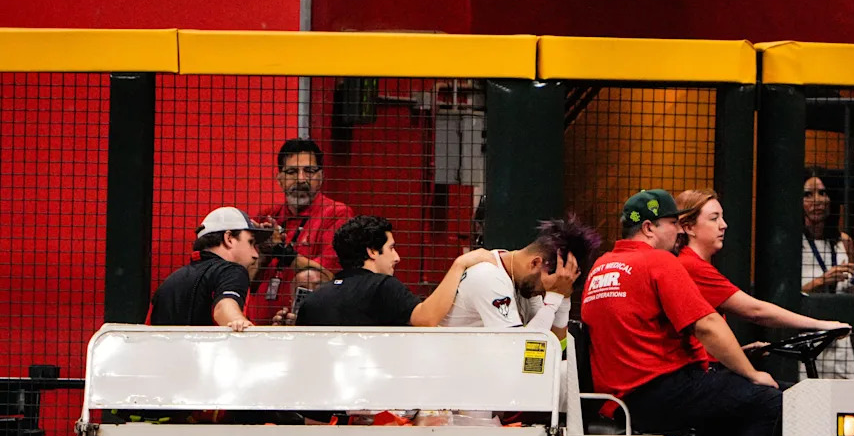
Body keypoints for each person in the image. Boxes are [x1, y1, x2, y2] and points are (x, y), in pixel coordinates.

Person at [581, 189, 781, 436]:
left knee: (739, 408)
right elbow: (707, 325)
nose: (679, 232)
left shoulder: (601, 268)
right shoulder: (658, 262)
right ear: (648, 228)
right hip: (662, 390)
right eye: (673, 223)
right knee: (770, 401)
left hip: (622, 401)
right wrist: (751, 372)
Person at [675, 188, 850, 356]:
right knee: (771, 386)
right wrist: (821, 325)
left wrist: (740, 352)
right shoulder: (691, 265)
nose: (724, 225)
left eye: (722, 217)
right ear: (688, 227)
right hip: (701, 376)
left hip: (707, 368)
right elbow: (755, 311)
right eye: (714, 219)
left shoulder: (691, 262)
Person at [297, 215, 493, 327]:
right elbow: (426, 318)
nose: (397, 257)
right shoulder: (382, 287)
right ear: (372, 251)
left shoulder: (313, 300)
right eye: (391, 248)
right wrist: (459, 265)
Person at [439, 218, 602, 342]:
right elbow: (518, 350)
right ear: (536, 263)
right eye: (545, 289)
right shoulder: (489, 277)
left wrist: (564, 298)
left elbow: (554, 345)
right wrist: (553, 298)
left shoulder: (525, 283)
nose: (543, 293)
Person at [247, 138, 355, 324]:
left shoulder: (337, 214)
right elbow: (247, 282)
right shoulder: (266, 218)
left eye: (309, 171)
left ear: (321, 177)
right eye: (291, 172)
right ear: (279, 178)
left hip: (307, 328)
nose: (301, 179)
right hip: (260, 326)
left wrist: (282, 252)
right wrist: (264, 255)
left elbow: (327, 275)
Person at [148, 207, 271, 330]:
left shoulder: (168, 283)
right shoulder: (232, 271)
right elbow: (223, 307)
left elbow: (147, 331)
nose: (255, 254)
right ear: (229, 239)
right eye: (250, 242)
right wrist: (238, 321)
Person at [800, 170, 854, 379]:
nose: (817, 201)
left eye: (823, 193)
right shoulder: (792, 242)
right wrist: (823, 280)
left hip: (839, 336)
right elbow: (784, 297)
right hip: (805, 335)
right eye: (808, 194)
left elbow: (848, 291)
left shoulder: (843, 241)